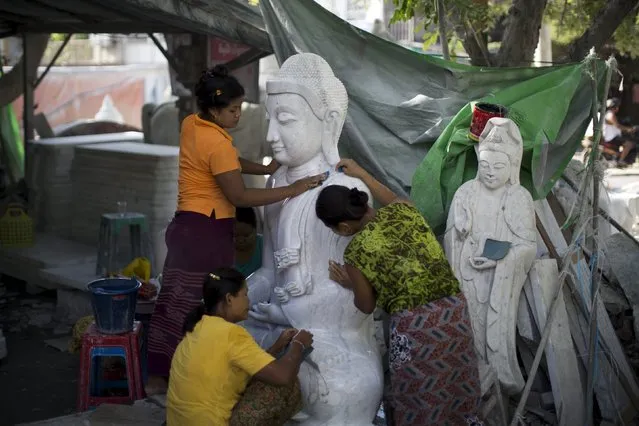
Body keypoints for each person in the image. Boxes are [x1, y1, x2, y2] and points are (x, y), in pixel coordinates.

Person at [146, 65, 326, 394]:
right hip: (206, 230)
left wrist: (266, 167)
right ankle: (192, 373)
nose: (238, 115)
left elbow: (230, 160)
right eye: (232, 109)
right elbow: (239, 194)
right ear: (213, 110)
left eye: (240, 107)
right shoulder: (217, 143)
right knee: (203, 305)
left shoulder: (192, 125)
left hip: (186, 226)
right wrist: (294, 189)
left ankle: (162, 373)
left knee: (174, 300)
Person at [315, 159, 482, 426]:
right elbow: (391, 197)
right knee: (458, 390)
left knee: (420, 398)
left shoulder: (355, 253)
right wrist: (362, 173)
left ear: (344, 228)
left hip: (417, 329)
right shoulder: (405, 210)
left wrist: (351, 282)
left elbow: (366, 305)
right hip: (453, 313)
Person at [167, 268, 313, 426]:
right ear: (229, 299)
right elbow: (283, 376)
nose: (248, 301)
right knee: (286, 387)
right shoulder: (231, 333)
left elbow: (236, 369)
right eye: (245, 294)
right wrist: (298, 344)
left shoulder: (198, 326)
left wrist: (276, 347)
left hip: (178, 421)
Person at [602, 98, 637, 167]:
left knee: (626, 140)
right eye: (617, 106)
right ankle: (620, 160)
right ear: (614, 107)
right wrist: (629, 129)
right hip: (612, 137)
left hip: (614, 136)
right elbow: (617, 126)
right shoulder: (610, 115)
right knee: (630, 144)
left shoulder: (609, 114)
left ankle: (618, 157)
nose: (618, 108)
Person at [234, 207, 263, 277]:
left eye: (246, 235)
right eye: (235, 236)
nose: (241, 240)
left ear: (255, 229)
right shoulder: (222, 250)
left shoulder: (264, 245)